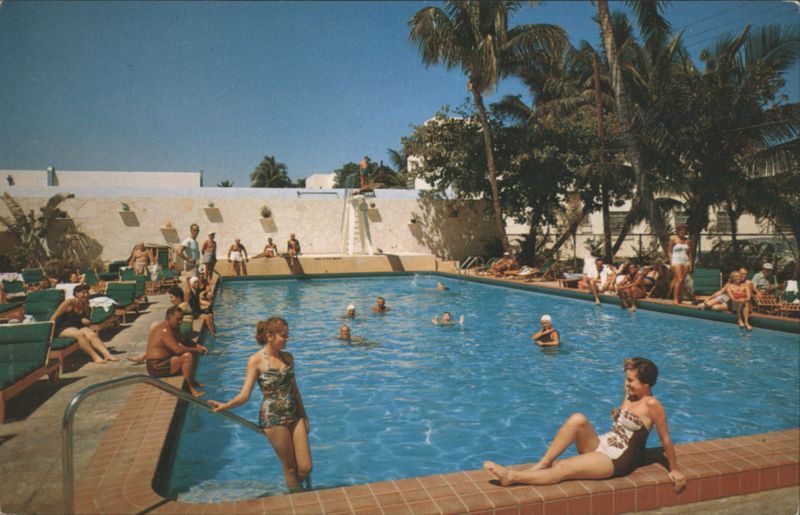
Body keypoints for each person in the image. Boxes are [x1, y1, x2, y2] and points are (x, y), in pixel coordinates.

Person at [483, 357, 686, 493]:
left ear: (646, 385)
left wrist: (674, 469)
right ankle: (543, 463)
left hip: (618, 458)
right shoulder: (630, 395)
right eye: (626, 379)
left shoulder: (652, 405)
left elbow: (665, 439)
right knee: (577, 418)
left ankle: (512, 477)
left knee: (564, 467)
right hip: (605, 443)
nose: (626, 383)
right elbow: (622, 421)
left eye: (631, 380)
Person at [208, 317, 312, 492]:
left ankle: (298, 490)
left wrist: (304, 416)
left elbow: (295, 390)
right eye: (283, 336)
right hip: (273, 419)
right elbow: (245, 395)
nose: (287, 339)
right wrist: (226, 405)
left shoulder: (288, 358)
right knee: (291, 468)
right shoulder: (255, 360)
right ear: (269, 335)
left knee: (306, 467)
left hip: (295, 414)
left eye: (287, 335)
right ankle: (298, 500)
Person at [145, 306, 208, 397]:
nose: (180, 322)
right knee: (187, 356)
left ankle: (193, 382)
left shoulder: (173, 327)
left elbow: (184, 340)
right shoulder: (165, 330)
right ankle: (191, 390)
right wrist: (196, 350)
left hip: (165, 361)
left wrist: (199, 346)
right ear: (168, 318)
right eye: (178, 319)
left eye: (181, 319)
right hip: (156, 366)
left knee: (191, 352)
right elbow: (177, 350)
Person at [51, 284, 119, 364]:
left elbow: (85, 318)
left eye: (87, 293)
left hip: (77, 325)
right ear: (76, 293)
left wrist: (86, 320)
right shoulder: (69, 302)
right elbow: (53, 317)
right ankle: (95, 357)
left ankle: (107, 354)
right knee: (79, 334)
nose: (86, 295)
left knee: (92, 334)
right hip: (63, 327)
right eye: (83, 293)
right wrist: (50, 332)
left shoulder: (86, 303)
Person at [668, 225, 692, 305]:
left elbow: (689, 253)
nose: (682, 232)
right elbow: (669, 251)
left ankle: (679, 297)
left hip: (685, 261)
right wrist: (671, 262)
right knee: (680, 279)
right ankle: (675, 299)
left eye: (684, 231)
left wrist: (690, 262)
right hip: (676, 260)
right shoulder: (673, 239)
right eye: (681, 230)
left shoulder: (687, 241)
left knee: (682, 281)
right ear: (678, 231)